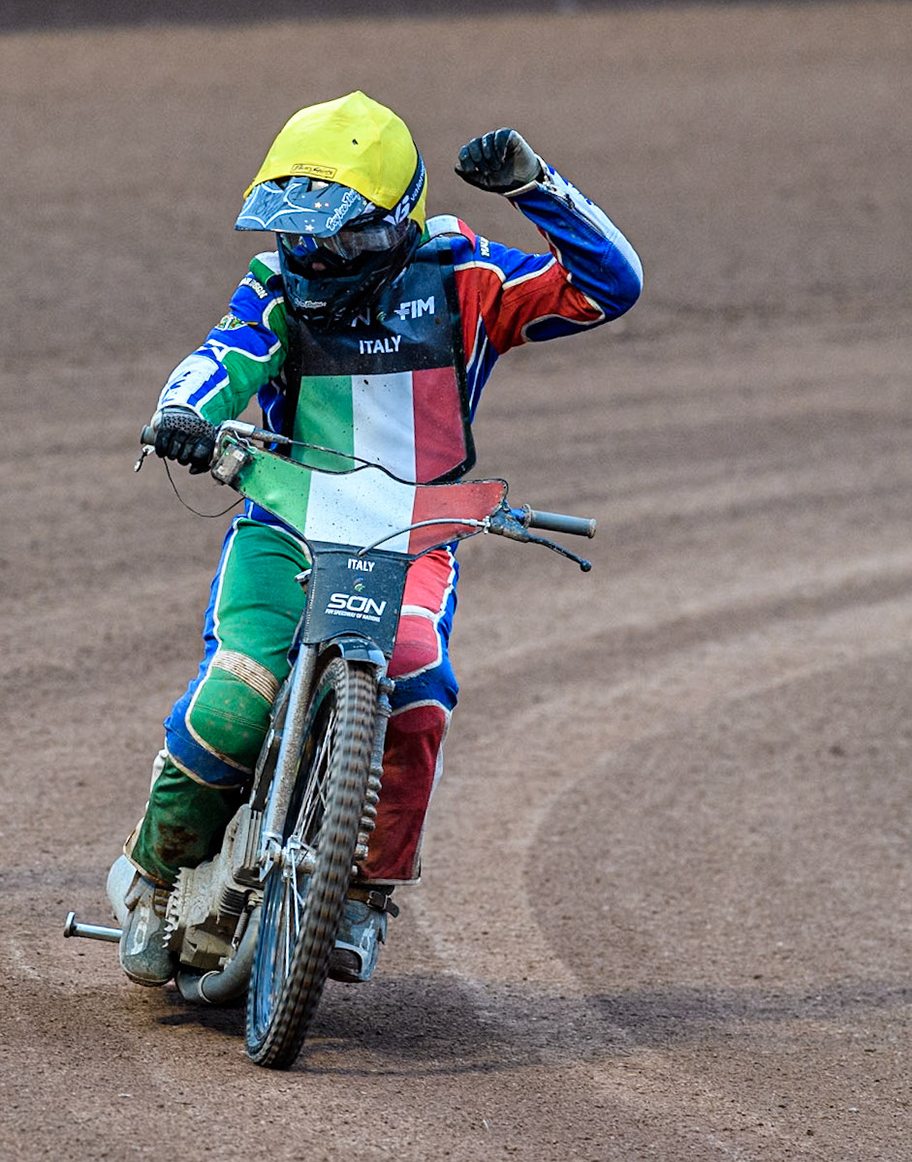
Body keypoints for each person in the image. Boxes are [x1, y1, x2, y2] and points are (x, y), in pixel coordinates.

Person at [114, 91, 641, 986]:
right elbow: (225, 353)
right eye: (299, 231)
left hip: (413, 539)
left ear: (397, 220)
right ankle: (149, 877)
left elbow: (609, 286)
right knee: (234, 700)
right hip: (287, 524)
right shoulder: (277, 283)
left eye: (338, 236)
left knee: (420, 691)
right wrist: (180, 413)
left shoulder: (464, 277)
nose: (313, 252)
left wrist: (537, 187)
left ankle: (364, 894)